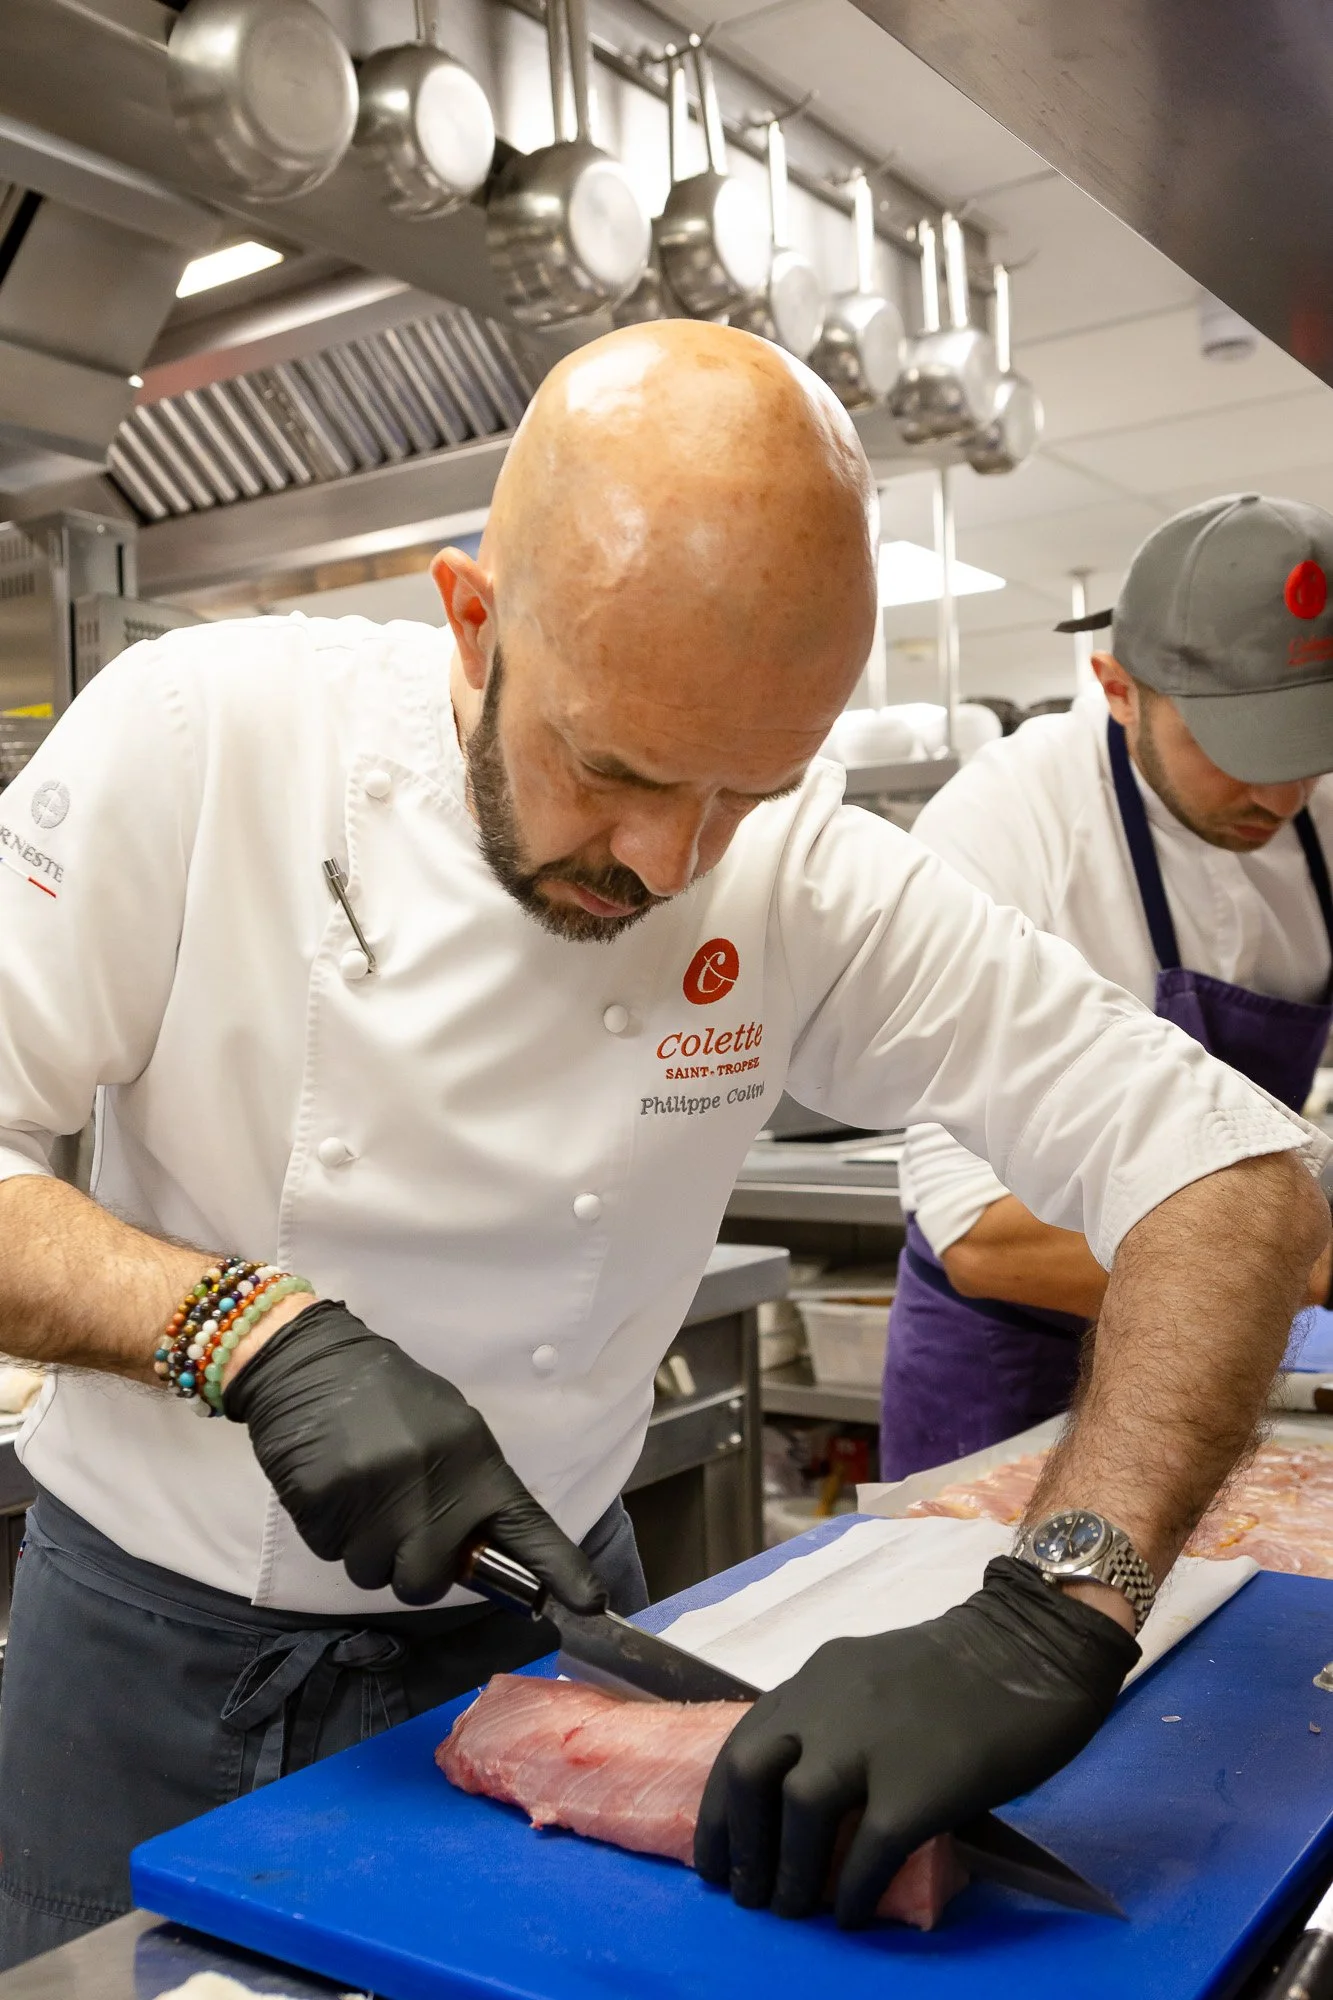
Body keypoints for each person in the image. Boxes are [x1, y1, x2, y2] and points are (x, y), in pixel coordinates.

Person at [0, 333, 1324, 1958]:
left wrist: (1061, 1604)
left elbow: (1229, 1179)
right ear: (472, 626)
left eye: (743, 795)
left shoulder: (813, 878)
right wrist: (239, 1331)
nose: (667, 860)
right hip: (150, 1644)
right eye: (610, 771)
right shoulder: (199, 744)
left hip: (554, 1636)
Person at [881, 492, 1333, 1480]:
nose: (1281, 796)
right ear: (1117, 687)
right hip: (1007, 1348)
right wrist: (1290, 1252)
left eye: (1304, 747)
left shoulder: (1318, 805)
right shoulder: (1001, 826)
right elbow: (978, 1237)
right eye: (1234, 751)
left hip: (1231, 1324)